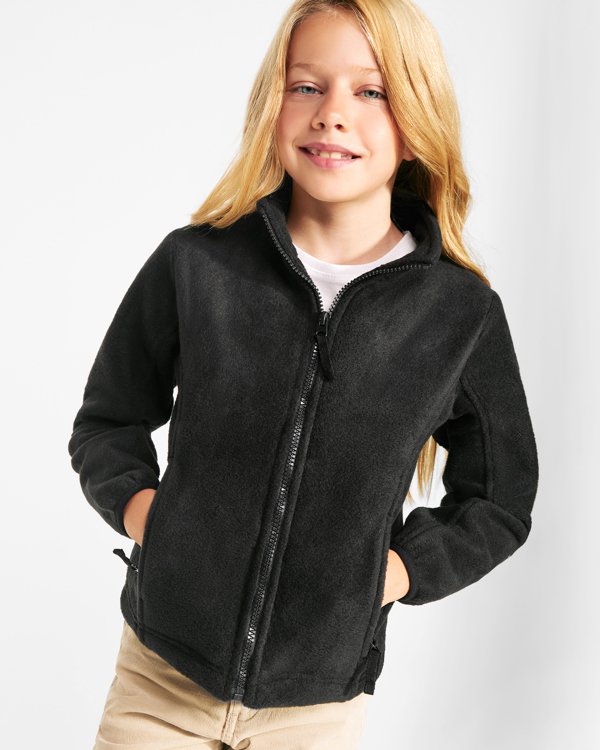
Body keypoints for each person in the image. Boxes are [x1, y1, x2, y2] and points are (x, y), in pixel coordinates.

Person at [67, 0, 539, 748]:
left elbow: (499, 500)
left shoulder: (458, 314)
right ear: (274, 105)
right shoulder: (198, 264)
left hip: (318, 708)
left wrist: (391, 574)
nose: (332, 114)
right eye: (307, 86)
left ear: (417, 120)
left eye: (371, 91)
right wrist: (146, 515)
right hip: (159, 680)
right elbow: (109, 419)